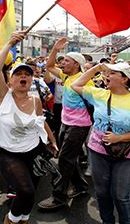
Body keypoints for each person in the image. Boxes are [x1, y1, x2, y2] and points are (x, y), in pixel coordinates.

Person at [71, 62, 130, 224]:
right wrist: (96, 69)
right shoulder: (99, 94)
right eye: (106, 73)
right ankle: (107, 222)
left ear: (125, 79)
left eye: (112, 73)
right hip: (98, 150)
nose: (106, 76)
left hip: (129, 154)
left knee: (120, 193)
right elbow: (75, 85)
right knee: (101, 191)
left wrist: (119, 138)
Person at [0, 32, 57, 224]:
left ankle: (23, 223)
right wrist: (10, 43)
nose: (24, 77)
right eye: (18, 74)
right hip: (9, 152)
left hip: (34, 151)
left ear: (32, 79)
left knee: (32, 192)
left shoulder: (36, 99)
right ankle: (10, 222)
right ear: (10, 80)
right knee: (25, 190)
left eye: (27, 74)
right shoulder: (3, 96)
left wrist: (51, 140)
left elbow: (40, 123)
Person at [39, 38, 93, 211]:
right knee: (69, 157)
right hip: (66, 123)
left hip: (79, 126)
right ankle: (81, 186)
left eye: (66, 61)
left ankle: (59, 197)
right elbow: (48, 66)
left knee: (64, 159)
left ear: (77, 64)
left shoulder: (84, 81)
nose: (62, 63)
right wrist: (55, 48)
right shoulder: (66, 76)